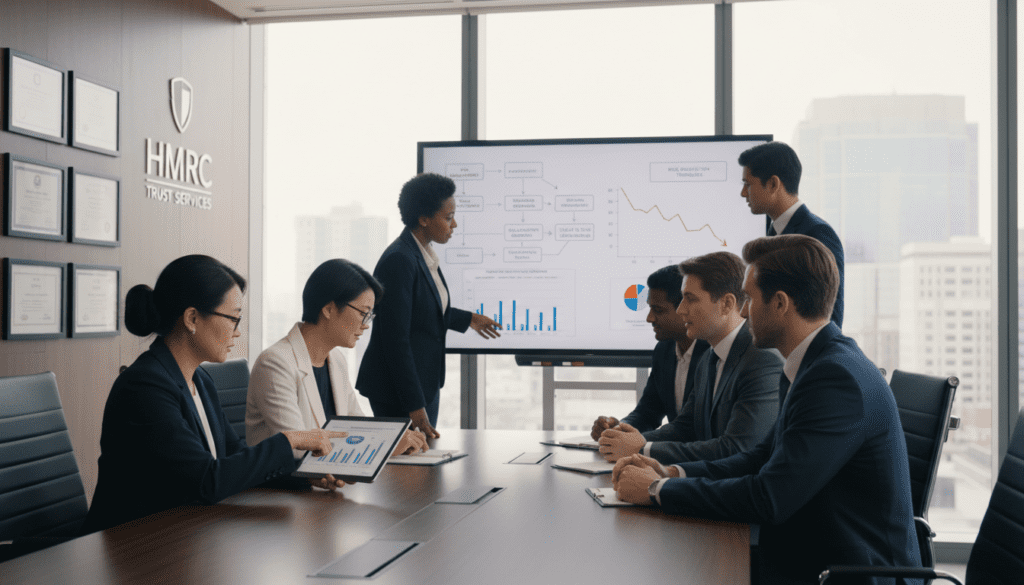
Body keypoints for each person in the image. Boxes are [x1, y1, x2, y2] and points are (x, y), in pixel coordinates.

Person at [612, 235, 920, 584]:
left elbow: (770, 497)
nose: (743, 311)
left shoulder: (834, 378)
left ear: (780, 304)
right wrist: (672, 473)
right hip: (813, 554)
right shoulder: (813, 363)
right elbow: (760, 457)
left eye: (750, 299)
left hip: (842, 572)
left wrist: (657, 491)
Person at [83, 255, 341, 534]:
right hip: (133, 545)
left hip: (183, 533)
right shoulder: (145, 387)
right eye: (233, 319)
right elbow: (205, 480)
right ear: (192, 318)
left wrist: (302, 476)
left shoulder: (200, 380)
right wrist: (290, 439)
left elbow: (234, 457)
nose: (238, 332)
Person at [246, 259, 429, 491]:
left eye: (370, 316)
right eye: (364, 313)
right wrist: (385, 446)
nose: (366, 325)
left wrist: (392, 439)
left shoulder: (336, 360)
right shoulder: (275, 363)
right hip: (278, 498)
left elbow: (358, 426)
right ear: (329, 309)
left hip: (324, 493)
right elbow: (297, 446)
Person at [597, 252, 782, 464]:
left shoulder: (762, 359)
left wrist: (643, 448)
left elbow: (737, 448)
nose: (681, 309)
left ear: (727, 304)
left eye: (690, 299)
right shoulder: (710, 357)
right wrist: (625, 440)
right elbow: (685, 427)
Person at [357, 173, 501, 438]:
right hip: (399, 392)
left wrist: (468, 319)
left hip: (421, 386)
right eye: (448, 217)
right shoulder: (399, 260)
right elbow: (395, 339)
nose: (454, 224)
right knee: (408, 471)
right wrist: (415, 405)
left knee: (420, 465)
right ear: (423, 219)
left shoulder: (420, 253)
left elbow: (422, 312)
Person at [590, 265, 710, 441]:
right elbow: (648, 412)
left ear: (685, 308)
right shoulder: (664, 350)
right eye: (650, 308)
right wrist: (618, 428)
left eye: (658, 310)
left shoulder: (712, 353)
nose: (649, 318)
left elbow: (689, 429)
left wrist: (635, 442)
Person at [739, 141, 845, 328]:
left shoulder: (817, 234)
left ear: (773, 184)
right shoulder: (771, 234)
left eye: (748, 184)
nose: (743, 193)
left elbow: (829, 317)